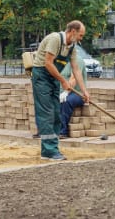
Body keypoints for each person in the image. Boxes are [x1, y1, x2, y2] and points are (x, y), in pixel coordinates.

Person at [31, 20, 90, 161]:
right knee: (47, 113)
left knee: (56, 112)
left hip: (52, 78)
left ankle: (53, 148)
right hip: (41, 77)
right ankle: (48, 151)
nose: (81, 38)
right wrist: (63, 81)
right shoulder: (55, 39)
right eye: (81, 35)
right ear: (73, 31)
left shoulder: (72, 47)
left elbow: (76, 69)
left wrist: (84, 91)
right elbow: (48, 63)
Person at [59, 55, 87, 139]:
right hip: (61, 92)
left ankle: (63, 131)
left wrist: (66, 92)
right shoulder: (60, 61)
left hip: (78, 94)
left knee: (66, 101)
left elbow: (74, 78)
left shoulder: (78, 60)